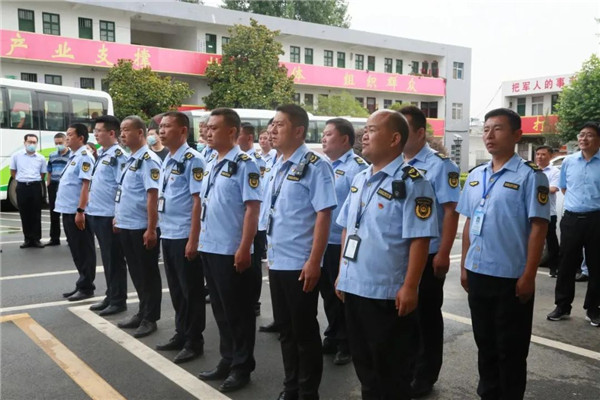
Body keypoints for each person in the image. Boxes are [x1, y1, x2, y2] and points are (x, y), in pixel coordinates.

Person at [334, 110, 437, 400]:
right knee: (366, 368)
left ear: (394, 139)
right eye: (363, 130)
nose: (363, 135)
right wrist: (343, 272)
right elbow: (346, 228)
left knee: (391, 372)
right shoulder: (361, 178)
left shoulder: (413, 182)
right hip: (355, 287)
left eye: (371, 130)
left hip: (386, 293)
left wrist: (410, 286)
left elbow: (420, 238)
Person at [457, 108, 549, 399]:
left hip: (510, 277)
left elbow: (538, 227)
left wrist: (528, 276)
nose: (489, 135)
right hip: (477, 272)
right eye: (485, 129)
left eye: (497, 129)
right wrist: (463, 266)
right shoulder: (475, 176)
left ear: (517, 135)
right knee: (485, 343)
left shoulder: (530, 177)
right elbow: (471, 221)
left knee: (510, 348)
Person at [265, 104, 337, 400]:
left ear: (298, 130)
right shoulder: (276, 164)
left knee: (304, 333)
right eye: (272, 124)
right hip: (277, 260)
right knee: (285, 329)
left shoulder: (315, 165)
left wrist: (314, 262)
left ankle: (308, 392)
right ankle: (290, 386)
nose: (272, 129)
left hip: (300, 262)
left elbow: (324, 215)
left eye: (279, 125)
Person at [197, 108, 262, 393]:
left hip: (230, 249)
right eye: (207, 127)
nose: (208, 132)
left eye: (214, 128)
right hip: (210, 246)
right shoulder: (212, 161)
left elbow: (252, 209)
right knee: (221, 310)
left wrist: (245, 248)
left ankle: (242, 366)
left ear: (232, 132)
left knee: (239, 312)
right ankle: (227, 358)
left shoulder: (246, 164)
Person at [399, 105, 460, 397]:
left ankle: (425, 375)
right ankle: (407, 368)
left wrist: (444, 254)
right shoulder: (395, 163)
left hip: (429, 253)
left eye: (404, 130)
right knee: (404, 317)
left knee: (426, 317)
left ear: (420, 132)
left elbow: (450, 211)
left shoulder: (440, 165)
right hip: (401, 254)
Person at [155, 111, 206, 364]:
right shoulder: (168, 158)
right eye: (160, 127)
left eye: (167, 127)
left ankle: (194, 341)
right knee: (176, 290)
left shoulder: (192, 160)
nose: (161, 131)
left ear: (183, 131)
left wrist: (193, 239)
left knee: (191, 291)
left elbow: (198, 202)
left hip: (185, 234)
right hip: (169, 232)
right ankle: (181, 332)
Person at [319, 118, 367, 366]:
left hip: (342, 241)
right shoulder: (324, 165)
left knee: (342, 293)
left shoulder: (356, 168)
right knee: (327, 292)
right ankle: (333, 333)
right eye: (324, 134)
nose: (323, 138)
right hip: (323, 240)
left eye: (328, 134)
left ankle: (346, 343)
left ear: (345, 139)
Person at [114, 116, 163, 338]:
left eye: (126, 130)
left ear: (140, 133)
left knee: (148, 274)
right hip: (128, 224)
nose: (122, 134)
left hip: (142, 226)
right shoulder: (131, 158)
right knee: (136, 272)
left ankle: (150, 318)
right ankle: (142, 311)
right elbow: (125, 193)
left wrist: (151, 228)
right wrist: (118, 217)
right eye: (121, 130)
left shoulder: (148, 160)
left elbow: (152, 195)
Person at [547, 121, 600, 327]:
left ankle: (593, 308)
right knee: (566, 264)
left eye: (589, 135)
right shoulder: (569, 161)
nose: (583, 138)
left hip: (597, 219)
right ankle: (562, 306)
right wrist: (577, 204)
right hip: (572, 219)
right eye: (581, 134)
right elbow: (564, 188)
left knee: (596, 266)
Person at [86, 115, 129, 316]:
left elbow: (123, 187)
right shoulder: (102, 154)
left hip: (109, 215)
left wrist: (117, 215)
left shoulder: (119, 156)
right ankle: (111, 294)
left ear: (112, 133)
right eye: (94, 131)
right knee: (107, 258)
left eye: (98, 131)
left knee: (114, 259)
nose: (95, 134)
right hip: (97, 213)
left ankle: (118, 300)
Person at [54, 124, 97, 301]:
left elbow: (86, 186)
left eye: (70, 135)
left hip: (76, 211)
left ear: (81, 137)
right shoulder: (74, 156)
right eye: (67, 134)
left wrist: (81, 210)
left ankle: (87, 287)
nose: (67, 138)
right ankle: (82, 282)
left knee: (84, 249)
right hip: (68, 210)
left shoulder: (85, 157)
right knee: (76, 250)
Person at [237, 122, 267, 317]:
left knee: (254, 263)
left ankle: (253, 301)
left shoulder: (256, 161)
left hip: (257, 220)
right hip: (240, 219)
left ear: (248, 138)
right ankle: (243, 297)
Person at [10, 134, 47, 248]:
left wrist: (33, 180)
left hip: (35, 186)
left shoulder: (41, 158)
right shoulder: (16, 156)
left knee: (36, 213)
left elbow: (42, 174)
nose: (32, 144)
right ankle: (27, 239)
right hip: (22, 187)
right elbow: (13, 171)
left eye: (34, 142)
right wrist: (21, 179)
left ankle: (36, 239)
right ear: (24, 142)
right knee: (24, 213)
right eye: (29, 142)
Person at [535, 145, 561, 277]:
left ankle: (554, 267)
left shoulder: (555, 171)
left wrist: (536, 188)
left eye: (543, 154)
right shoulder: (531, 170)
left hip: (548, 212)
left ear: (550, 156)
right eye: (538, 154)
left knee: (551, 241)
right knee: (532, 239)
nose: (540, 157)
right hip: (533, 211)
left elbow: (553, 189)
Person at [45, 133, 70, 246]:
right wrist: (48, 184)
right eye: (56, 143)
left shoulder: (72, 155)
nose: (58, 145)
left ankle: (70, 238)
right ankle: (54, 238)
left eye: (60, 143)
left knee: (67, 213)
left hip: (65, 186)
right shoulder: (52, 155)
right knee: (53, 213)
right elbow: (49, 171)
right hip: (54, 185)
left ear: (66, 142)